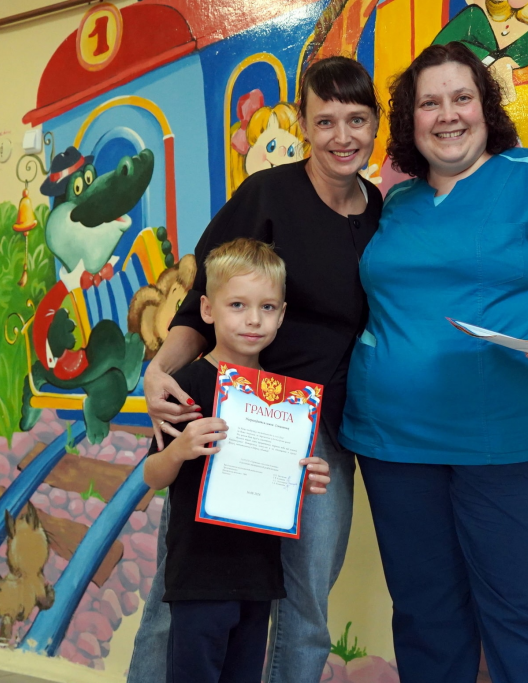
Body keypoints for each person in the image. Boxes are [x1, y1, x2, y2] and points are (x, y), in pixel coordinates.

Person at [338, 42, 528, 683]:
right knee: (425, 616)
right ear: (410, 119)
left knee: (522, 618)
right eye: (429, 103)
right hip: (394, 445)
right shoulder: (398, 203)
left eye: (461, 98)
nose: (448, 115)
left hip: (513, 440)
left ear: (485, 106)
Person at [128, 56, 383, 683]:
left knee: (305, 602)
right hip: (236, 412)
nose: (342, 136)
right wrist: (159, 371)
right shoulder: (269, 193)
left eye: (356, 120)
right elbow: (202, 299)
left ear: (376, 125)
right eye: (325, 121)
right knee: (183, 594)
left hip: (324, 427)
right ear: (304, 124)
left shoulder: (380, 208)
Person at [143, 238, 332, 683]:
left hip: (257, 578)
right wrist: (180, 449)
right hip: (198, 576)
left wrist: (302, 480)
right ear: (207, 310)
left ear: (282, 315)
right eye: (237, 305)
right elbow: (152, 474)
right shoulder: (187, 384)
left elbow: (276, 480)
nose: (253, 319)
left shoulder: (287, 399)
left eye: (267, 308)